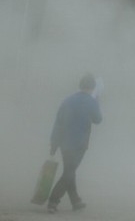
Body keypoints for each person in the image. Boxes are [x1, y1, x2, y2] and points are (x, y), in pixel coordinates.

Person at [47, 73, 102, 213]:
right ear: (92, 87)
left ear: (80, 85)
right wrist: (97, 102)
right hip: (79, 145)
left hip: (64, 143)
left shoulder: (68, 100)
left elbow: (58, 122)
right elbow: (98, 120)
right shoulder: (91, 101)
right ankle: (53, 201)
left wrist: (54, 144)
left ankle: (75, 201)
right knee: (69, 173)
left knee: (69, 171)